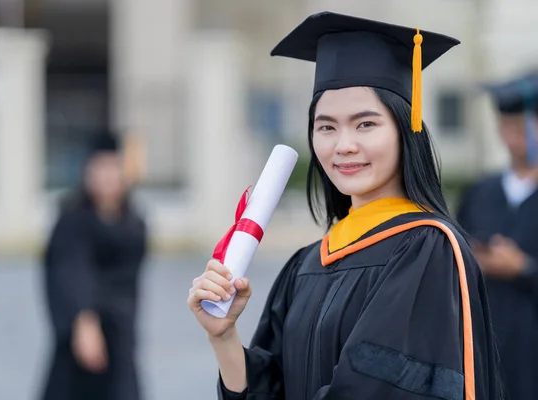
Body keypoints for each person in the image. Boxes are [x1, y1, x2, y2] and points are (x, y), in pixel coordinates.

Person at [186, 11, 503, 400]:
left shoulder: (426, 250)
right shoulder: (305, 265)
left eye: (366, 124)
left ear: (406, 128)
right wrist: (224, 337)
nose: (344, 145)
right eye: (326, 127)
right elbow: (270, 390)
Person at [39, 132, 149, 400]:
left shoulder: (134, 222)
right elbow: (70, 270)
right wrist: (83, 320)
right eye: (99, 167)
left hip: (121, 334)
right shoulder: (73, 219)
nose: (107, 176)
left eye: (114, 167)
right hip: (83, 336)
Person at [456, 72, 538, 399]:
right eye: (508, 126)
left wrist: (524, 269)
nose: (515, 135)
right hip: (484, 353)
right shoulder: (479, 192)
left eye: (525, 125)